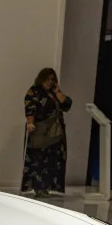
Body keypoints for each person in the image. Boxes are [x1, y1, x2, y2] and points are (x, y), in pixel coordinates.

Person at [22, 68, 71, 197]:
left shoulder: (54, 93)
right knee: (39, 159)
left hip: (55, 132)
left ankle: (48, 186)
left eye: (52, 79)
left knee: (53, 160)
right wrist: (30, 123)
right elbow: (30, 108)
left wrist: (57, 92)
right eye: (48, 79)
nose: (50, 82)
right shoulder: (34, 92)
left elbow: (67, 105)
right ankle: (39, 187)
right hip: (41, 131)